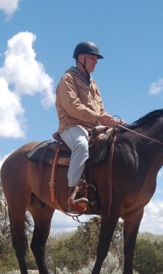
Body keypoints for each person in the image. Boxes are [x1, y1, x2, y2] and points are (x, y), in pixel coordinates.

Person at [55, 41, 121, 212]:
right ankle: (74, 193)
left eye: (96, 59)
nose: (96, 62)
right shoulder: (67, 79)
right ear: (81, 58)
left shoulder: (93, 83)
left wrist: (112, 121)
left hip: (93, 126)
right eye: (93, 58)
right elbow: (72, 106)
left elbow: (100, 108)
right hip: (71, 126)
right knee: (81, 145)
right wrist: (99, 117)